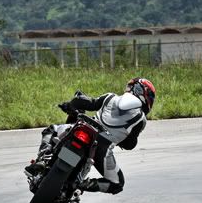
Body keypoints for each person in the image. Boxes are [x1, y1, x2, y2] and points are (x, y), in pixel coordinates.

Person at [26, 77, 156, 194]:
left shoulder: (110, 97)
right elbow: (130, 144)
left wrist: (70, 105)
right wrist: (120, 138)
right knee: (117, 184)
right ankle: (82, 184)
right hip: (102, 149)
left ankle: (42, 159)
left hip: (85, 128)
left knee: (51, 130)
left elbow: (87, 102)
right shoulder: (141, 119)